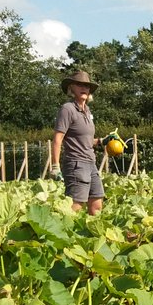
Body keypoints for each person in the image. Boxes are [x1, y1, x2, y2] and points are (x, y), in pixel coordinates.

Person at [50, 70, 117, 215]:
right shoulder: (67, 109)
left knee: (97, 203)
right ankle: (65, 228)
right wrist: (55, 166)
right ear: (71, 88)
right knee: (76, 205)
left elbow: (84, 141)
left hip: (91, 163)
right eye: (79, 85)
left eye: (86, 86)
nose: (84, 88)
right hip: (76, 164)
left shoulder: (87, 110)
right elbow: (58, 139)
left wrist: (102, 141)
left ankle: (90, 229)